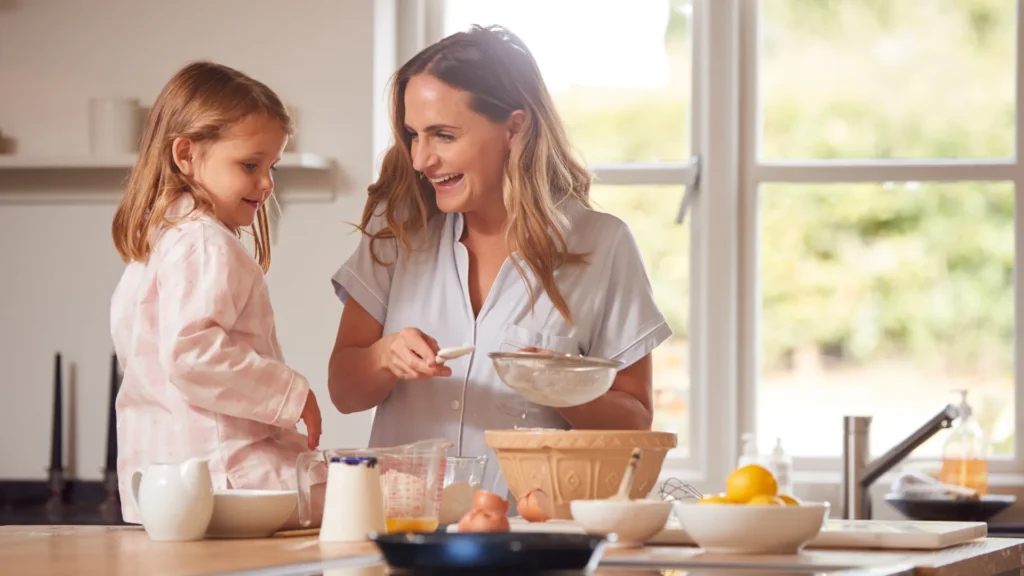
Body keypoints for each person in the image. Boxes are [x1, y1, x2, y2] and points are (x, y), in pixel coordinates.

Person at [327, 25, 671, 496]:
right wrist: (385, 357)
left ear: (515, 127)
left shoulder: (602, 244)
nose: (421, 159)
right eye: (413, 135)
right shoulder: (398, 234)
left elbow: (635, 424)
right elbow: (344, 391)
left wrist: (559, 387)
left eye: (443, 135)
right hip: (404, 526)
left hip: (532, 536)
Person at [110, 61, 322, 524]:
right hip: (226, 478)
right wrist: (291, 392)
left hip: (162, 486)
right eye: (250, 165)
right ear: (185, 154)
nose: (267, 183)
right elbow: (192, 353)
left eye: (272, 166)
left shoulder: (156, 246)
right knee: (364, 493)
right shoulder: (204, 242)